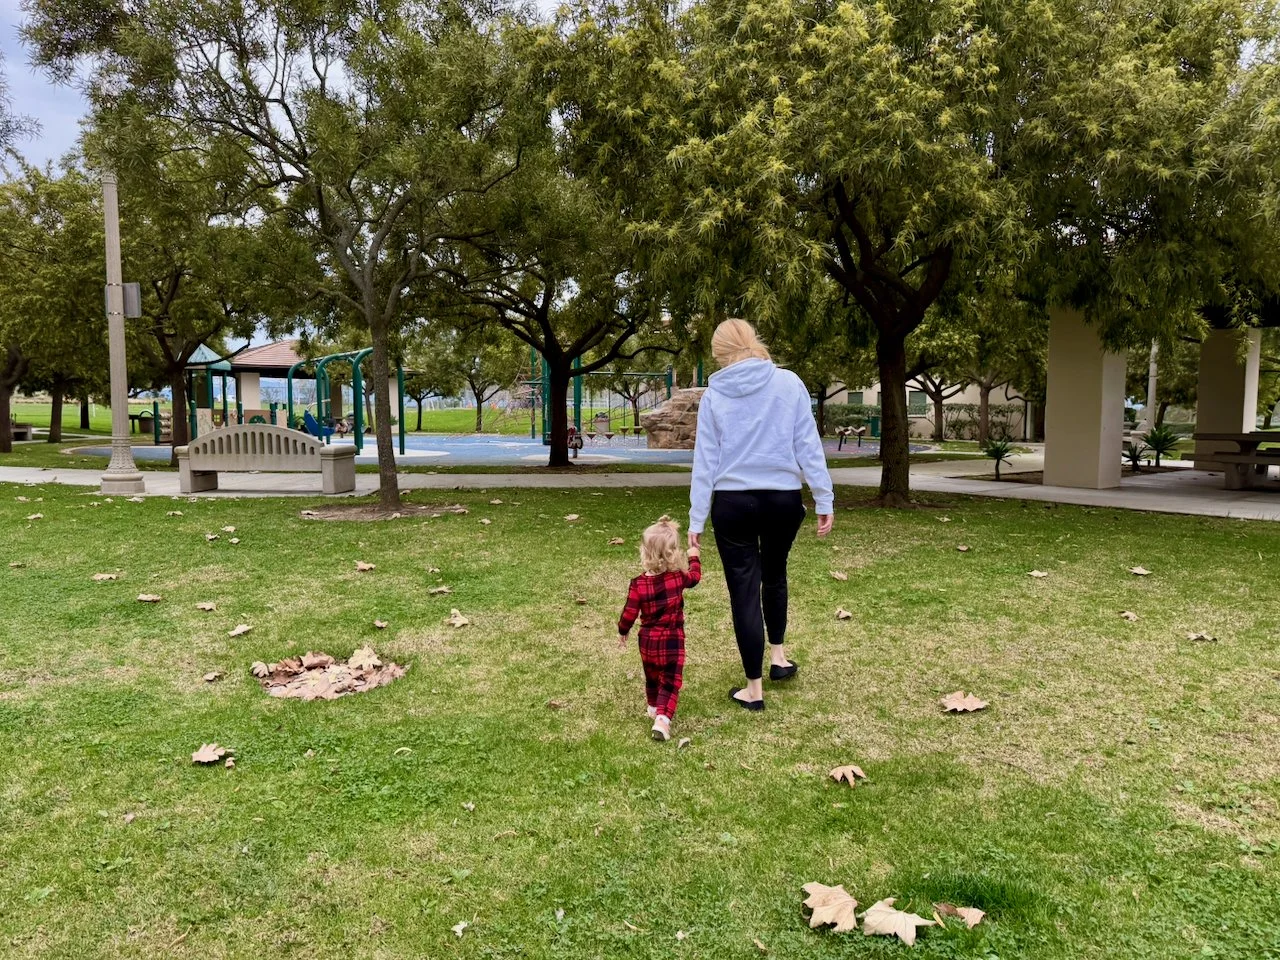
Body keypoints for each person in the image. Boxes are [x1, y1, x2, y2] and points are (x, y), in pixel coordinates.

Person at [688, 318, 834, 712]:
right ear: (754, 341)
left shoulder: (714, 397)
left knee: (743, 590)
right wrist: (823, 497)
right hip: (782, 500)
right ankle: (779, 658)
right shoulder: (789, 384)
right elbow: (807, 444)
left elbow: (706, 462)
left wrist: (695, 521)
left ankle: (754, 689)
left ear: (718, 355)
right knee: (775, 573)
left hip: (732, 504)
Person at [617, 516, 703, 741]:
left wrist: (623, 630)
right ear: (673, 553)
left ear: (645, 553)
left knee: (652, 674)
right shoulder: (678, 578)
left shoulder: (638, 584)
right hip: (672, 641)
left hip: (647, 641)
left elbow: (629, 612)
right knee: (671, 681)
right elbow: (694, 578)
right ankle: (663, 720)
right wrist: (695, 558)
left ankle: (654, 705)